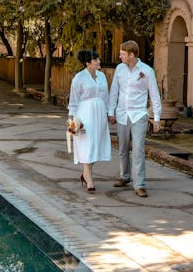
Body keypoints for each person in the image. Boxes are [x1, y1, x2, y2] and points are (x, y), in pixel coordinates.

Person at [108, 40, 161, 197]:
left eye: (122, 54)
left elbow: (155, 96)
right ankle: (125, 176)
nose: (120, 56)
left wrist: (156, 118)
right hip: (122, 114)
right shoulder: (119, 69)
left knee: (138, 150)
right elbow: (114, 92)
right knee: (123, 148)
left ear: (131, 55)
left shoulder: (147, 71)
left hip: (139, 115)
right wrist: (111, 111)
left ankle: (139, 184)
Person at [67, 49, 112, 192]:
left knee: (96, 145)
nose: (99, 62)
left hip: (100, 115)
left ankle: (85, 174)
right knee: (87, 144)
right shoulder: (79, 78)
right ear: (88, 63)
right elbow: (73, 100)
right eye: (96, 60)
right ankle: (89, 180)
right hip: (85, 114)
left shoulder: (102, 76)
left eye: (98, 59)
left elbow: (107, 96)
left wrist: (108, 113)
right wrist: (71, 118)